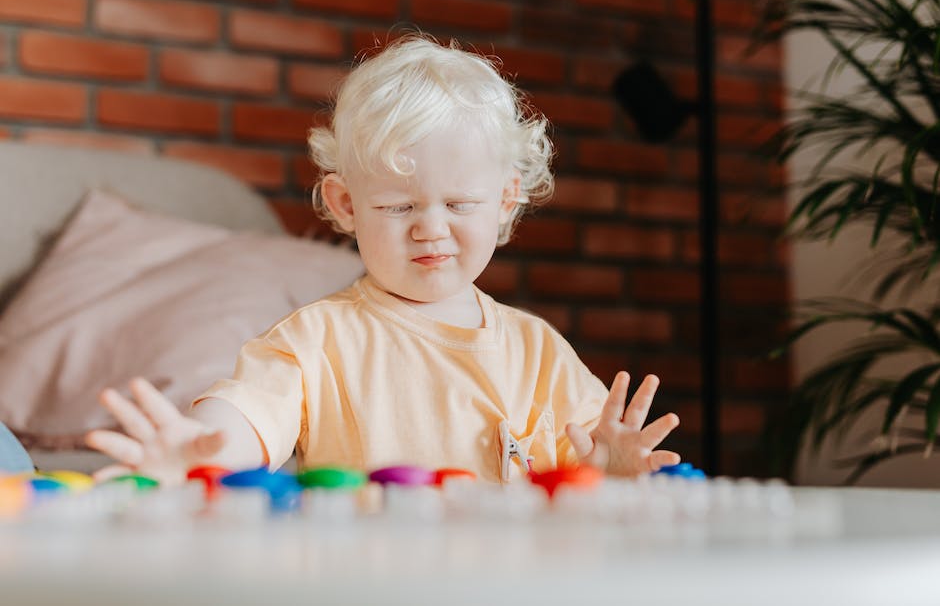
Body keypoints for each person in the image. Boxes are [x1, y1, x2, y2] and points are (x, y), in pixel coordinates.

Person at [85, 36, 681, 485]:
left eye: (459, 203)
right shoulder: (316, 339)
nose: (431, 228)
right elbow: (250, 416)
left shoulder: (540, 352)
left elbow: (584, 479)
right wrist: (199, 448)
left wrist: (613, 472)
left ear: (504, 202)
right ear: (347, 205)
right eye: (398, 206)